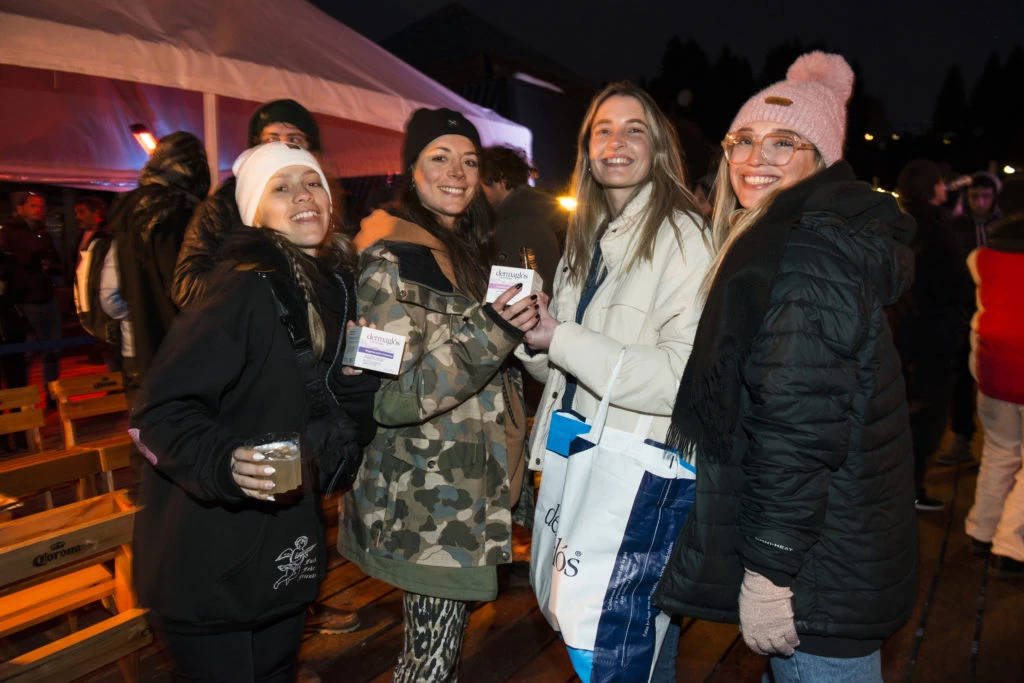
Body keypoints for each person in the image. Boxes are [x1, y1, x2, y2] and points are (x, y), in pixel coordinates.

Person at [653, 52, 918, 683]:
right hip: (837, 551)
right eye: (742, 140)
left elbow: (798, 431)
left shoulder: (805, 253)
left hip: (819, 575)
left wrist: (771, 572)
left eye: (784, 142)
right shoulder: (799, 236)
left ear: (822, 158)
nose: (754, 158)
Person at [129, 142, 375, 682]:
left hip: (282, 552)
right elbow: (157, 412)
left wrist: (356, 385)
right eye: (280, 188)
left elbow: (336, 434)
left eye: (311, 183)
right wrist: (224, 461)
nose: (303, 197)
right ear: (254, 212)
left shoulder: (332, 287)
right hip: (212, 558)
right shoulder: (241, 287)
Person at [339, 107, 538, 682]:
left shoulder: (465, 255)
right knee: (428, 665)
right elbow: (390, 399)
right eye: (440, 157)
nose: (457, 172)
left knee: (437, 659)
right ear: (412, 170)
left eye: (469, 160)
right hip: (428, 505)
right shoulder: (387, 263)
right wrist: (494, 331)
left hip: (468, 491)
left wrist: (524, 330)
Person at [521, 82, 712, 680]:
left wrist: (562, 338)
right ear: (586, 150)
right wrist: (533, 336)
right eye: (603, 129)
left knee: (627, 644)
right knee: (592, 635)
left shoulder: (682, 236)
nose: (617, 141)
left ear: (658, 147)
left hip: (635, 477)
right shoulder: (588, 236)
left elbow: (678, 380)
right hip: (576, 458)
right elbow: (566, 369)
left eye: (635, 128)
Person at [173, 99, 322, 309]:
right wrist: (258, 271)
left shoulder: (320, 205)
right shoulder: (223, 206)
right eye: (271, 139)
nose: (282, 146)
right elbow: (186, 289)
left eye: (294, 138)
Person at [893, 158, 974, 510]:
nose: (946, 187)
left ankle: (897, 486)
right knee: (926, 417)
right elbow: (953, 284)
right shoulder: (936, 232)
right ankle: (910, 489)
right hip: (931, 337)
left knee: (902, 414)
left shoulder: (898, 226)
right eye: (940, 183)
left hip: (902, 333)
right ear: (931, 188)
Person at [112, 132, 210, 384]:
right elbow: (185, 288)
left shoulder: (129, 213)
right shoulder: (176, 211)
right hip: (186, 350)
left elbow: (119, 286)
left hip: (145, 347)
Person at [963, 178, 1024, 579]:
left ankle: (981, 530)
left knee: (1000, 452)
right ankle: (1010, 547)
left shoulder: (981, 260)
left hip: (992, 372)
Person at [939, 171, 1004, 466]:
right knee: (963, 378)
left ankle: (999, 444)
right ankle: (962, 439)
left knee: (999, 379)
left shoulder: (1003, 228)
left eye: (985, 196)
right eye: (975, 196)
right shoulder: (956, 227)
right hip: (966, 310)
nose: (980, 202)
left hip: (999, 311)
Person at [3, 190, 62, 400]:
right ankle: (23, 400)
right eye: (33, 206)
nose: (39, 210)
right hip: (25, 300)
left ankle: (53, 394)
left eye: (40, 206)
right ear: (20, 209)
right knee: (25, 353)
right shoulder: (10, 233)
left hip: (46, 294)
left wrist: (51, 264)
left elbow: (53, 259)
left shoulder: (43, 233)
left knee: (53, 348)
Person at [479, 144, 564, 289]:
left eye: (481, 185)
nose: (478, 193)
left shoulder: (515, 224)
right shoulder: (536, 211)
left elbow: (509, 296)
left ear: (501, 180)